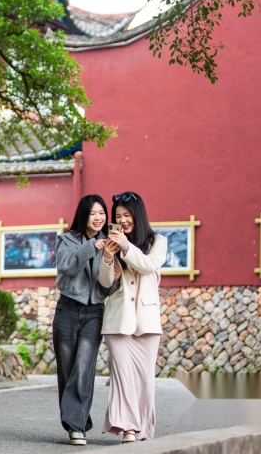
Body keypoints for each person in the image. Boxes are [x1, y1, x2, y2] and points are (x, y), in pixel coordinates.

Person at [97, 191, 167, 443]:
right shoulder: (110, 242)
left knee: (145, 379)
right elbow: (105, 283)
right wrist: (107, 257)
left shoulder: (158, 241)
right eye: (118, 216)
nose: (123, 220)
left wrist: (126, 246)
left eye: (127, 215)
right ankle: (128, 428)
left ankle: (143, 427)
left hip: (147, 320)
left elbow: (148, 265)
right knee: (123, 377)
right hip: (118, 319)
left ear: (138, 215)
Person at [52, 194, 121, 446]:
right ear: (84, 215)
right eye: (93, 213)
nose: (98, 217)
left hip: (94, 312)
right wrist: (92, 246)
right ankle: (75, 420)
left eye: (101, 213)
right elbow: (66, 266)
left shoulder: (111, 243)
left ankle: (76, 426)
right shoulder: (66, 240)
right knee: (67, 368)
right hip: (67, 309)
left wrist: (114, 274)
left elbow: (108, 287)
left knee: (83, 366)